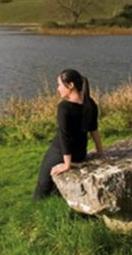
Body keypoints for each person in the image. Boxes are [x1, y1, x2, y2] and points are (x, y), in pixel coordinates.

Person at [33, 69, 103, 200]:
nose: (58, 88)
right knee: (53, 188)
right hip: (80, 153)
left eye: (60, 85)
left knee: (42, 186)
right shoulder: (90, 102)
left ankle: (36, 206)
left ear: (71, 85)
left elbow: (65, 136)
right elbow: (94, 129)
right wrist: (100, 151)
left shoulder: (64, 107)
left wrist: (67, 164)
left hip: (60, 153)